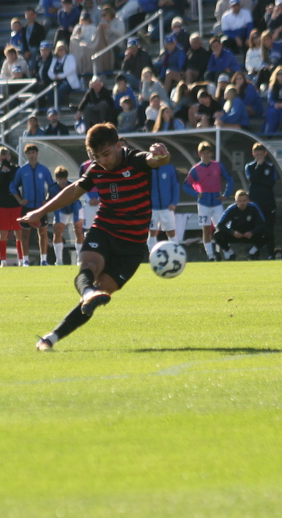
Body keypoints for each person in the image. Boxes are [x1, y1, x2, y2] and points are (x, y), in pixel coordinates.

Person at [19, 123, 170, 350]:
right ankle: (85, 295)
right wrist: (40, 212)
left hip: (133, 244)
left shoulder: (135, 160)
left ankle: (52, 336)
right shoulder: (96, 168)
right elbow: (74, 190)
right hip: (105, 229)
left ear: (118, 146)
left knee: (103, 290)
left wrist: (163, 155)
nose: (102, 161)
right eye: (95, 156)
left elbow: (156, 161)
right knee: (88, 268)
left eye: (106, 154)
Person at [183, 141, 234, 261]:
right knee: (206, 229)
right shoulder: (195, 169)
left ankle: (227, 252)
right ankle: (210, 255)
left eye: (208, 153)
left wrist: (226, 195)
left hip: (217, 202)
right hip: (204, 204)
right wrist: (196, 194)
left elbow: (229, 179)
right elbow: (185, 186)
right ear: (199, 154)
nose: (206, 155)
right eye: (203, 153)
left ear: (211, 153)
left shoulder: (218, 166)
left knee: (222, 228)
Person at [11, 144, 54, 266]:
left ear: (37, 154)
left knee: (43, 232)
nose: (31, 155)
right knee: (25, 233)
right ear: (26, 155)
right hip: (27, 206)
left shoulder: (43, 170)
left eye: (33, 152)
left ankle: (44, 260)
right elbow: (13, 186)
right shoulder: (22, 170)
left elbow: (51, 186)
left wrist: (47, 200)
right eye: (29, 153)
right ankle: (25, 260)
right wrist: (20, 200)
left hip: (40, 206)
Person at [0, 147, 23, 267]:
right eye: (1, 157)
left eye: (6, 156)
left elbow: (17, 182)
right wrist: (3, 172)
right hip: (3, 205)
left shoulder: (16, 169)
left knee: (19, 233)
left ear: (9, 156)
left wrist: (9, 171)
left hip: (15, 204)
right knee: (3, 234)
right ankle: (3, 260)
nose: (4, 159)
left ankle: (21, 259)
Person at [213, 190, 268, 261]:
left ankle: (252, 253)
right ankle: (231, 254)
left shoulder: (253, 207)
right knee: (217, 235)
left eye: (244, 200)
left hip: (250, 235)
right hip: (235, 235)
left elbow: (262, 223)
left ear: (248, 200)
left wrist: (252, 232)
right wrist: (232, 232)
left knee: (267, 233)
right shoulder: (231, 209)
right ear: (236, 201)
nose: (242, 203)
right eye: (240, 201)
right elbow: (220, 225)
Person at [245, 142, 278, 258]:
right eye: (257, 155)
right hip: (255, 204)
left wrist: (259, 180)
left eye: (261, 154)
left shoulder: (270, 167)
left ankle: (270, 254)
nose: (259, 157)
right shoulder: (249, 167)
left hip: (268, 203)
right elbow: (252, 179)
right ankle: (255, 255)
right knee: (255, 230)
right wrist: (258, 167)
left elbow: (271, 183)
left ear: (265, 154)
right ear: (253, 154)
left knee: (269, 229)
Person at [48, 166, 84, 265]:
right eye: (60, 179)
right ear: (56, 179)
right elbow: (54, 204)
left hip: (75, 209)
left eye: (64, 178)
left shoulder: (72, 187)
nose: (62, 181)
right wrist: (58, 220)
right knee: (57, 230)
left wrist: (76, 220)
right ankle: (59, 261)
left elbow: (75, 203)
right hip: (61, 210)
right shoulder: (52, 189)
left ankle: (80, 259)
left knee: (78, 229)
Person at [147, 156, 180, 250]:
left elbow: (176, 186)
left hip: (167, 207)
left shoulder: (170, 168)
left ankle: (176, 253)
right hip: (153, 208)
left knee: (171, 232)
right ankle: (152, 255)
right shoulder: (148, 169)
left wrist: (174, 202)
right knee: (152, 232)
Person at [48, 41, 80, 109]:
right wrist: (54, 77)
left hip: (68, 81)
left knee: (60, 90)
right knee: (50, 91)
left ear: (65, 50)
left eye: (62, 49)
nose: (60, 51)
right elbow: (50, 72)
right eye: (59, 50)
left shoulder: (70, 57)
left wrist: (60, 76)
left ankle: (58, 107)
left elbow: (72, 69)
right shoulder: (55, 59)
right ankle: (53, 107)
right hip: (57, 81)